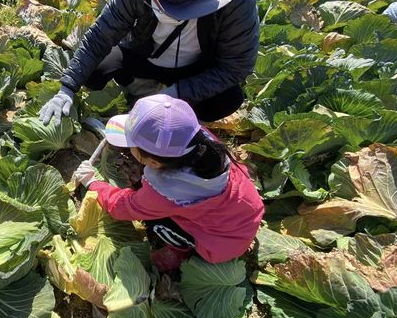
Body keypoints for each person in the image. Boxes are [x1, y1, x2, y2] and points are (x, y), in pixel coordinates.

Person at [39, 0, 259, 126]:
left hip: (194, 69)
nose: (167, 11)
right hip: (143, 54)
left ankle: (177, 111)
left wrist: (178, 93)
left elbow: (236, 67)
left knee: (227, 100)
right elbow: (101, 34)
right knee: (93, 72)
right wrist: (66, 88)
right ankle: (143, 88)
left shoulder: (238, 0)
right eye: (160, 1)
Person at [73, 94, 264, 271]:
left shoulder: (166, 191)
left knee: (156, 222)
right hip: (244, 215)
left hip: (221, 245)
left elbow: (122, 207)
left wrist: (93, 182)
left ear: (154, 162)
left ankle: (180, 250)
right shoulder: (198, 140)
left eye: (131, 145)